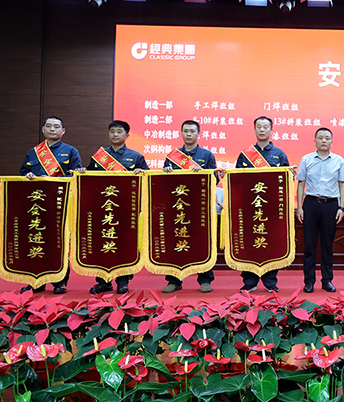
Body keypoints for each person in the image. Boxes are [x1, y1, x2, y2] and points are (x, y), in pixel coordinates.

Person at [19, 116, 84, 294]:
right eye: (48, 126)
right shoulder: (34, 152)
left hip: (60, 204)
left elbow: (76, 177)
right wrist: (28, 176)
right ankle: (36, 281)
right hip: (36, 204)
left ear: (63, 131)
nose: (52, 129)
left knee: (59, 243)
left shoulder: (71, 151)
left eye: (56, 127)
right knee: (36, 240)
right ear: (43, 130)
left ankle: (59, 282)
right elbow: (23, 173)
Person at [87, 120, 148, 295]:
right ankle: (103, 281)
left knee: (124, 244)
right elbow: (89, 179)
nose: (115, 134)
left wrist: (140, 174)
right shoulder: (99, 157)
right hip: (102, 208)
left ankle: (123, 281)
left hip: (125, 208)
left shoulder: (136, 157)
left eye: (119, 131)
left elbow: (147, 179)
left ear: (127, 135)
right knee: (102, 243)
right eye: (112, 131)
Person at [160, 120, 218, 294]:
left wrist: (201, 173)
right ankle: (174, 280)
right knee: (175, 241)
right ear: (181, 133)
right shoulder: (173, 156)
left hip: (198, 206)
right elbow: (163, 182)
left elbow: (215, 179)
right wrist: (166, 174)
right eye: (185, 131)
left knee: (201, 242)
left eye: (192, 131)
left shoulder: (206, 155)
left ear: (198, 133)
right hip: (177, 207)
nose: (189, 134)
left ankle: (205, 280)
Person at [235, 116, 289, 293]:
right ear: (254, 130)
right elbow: (236, 179)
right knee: (249, 243)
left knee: (270, 243)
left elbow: (286, 181)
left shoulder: (279, 154)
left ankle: (270, 281)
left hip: (270, 207)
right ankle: (249, 281)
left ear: (271, 130)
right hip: (249, 207)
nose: (262, 130)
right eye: (259, 126)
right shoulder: (245, 154)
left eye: (266, 127)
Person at [296, 127, 344, 293]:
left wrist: (341, 207)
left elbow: (342, 184)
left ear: (332, 141)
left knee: (327, 245)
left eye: (327, 138)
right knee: (309, 245)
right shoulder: (306, 159)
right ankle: (309, 281)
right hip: (310, 204)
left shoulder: (339, 160)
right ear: (315, 141)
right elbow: (301, 183)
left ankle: (327, 280)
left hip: (330, 205)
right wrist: (299, 207)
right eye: (320, 138)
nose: (324, 140)